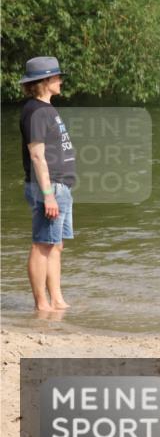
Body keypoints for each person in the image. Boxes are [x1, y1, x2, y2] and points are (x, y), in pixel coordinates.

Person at [19, 57, 76, 313]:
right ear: (44, 81)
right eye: (56, 77)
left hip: (60, 186)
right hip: (49, 188)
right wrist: (48, 195)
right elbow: (37, 155)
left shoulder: (45, 108)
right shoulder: (37, 111)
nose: (60, 81)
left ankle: (58, 300)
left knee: (55, 245)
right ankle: (42, 304)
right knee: (42, 244)